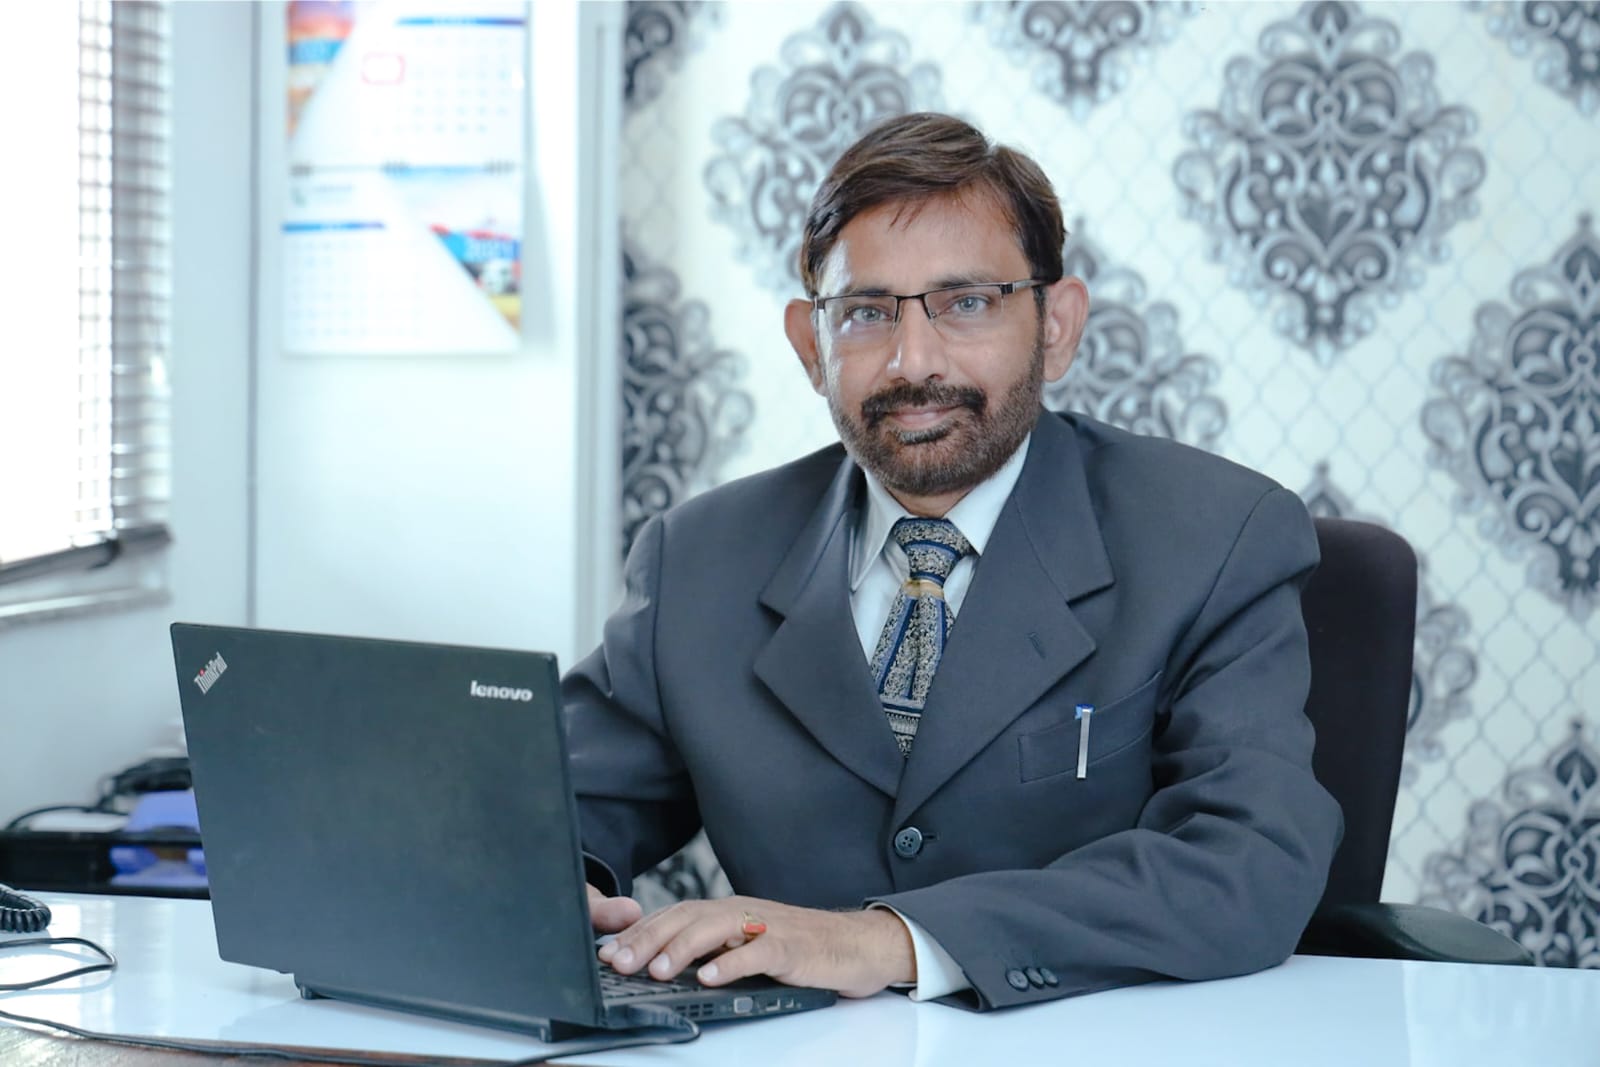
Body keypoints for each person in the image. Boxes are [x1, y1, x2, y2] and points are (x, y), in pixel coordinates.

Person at [564, 112, 1342, 1010]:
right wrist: (549, 881)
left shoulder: (1216, 536)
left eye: (966, 302)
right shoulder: (698, 559)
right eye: (866, 313)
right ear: (812, 345)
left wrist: (889, 940)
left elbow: (1249, 862)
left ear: (1057, 325)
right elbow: (550, 805)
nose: (912, 360)